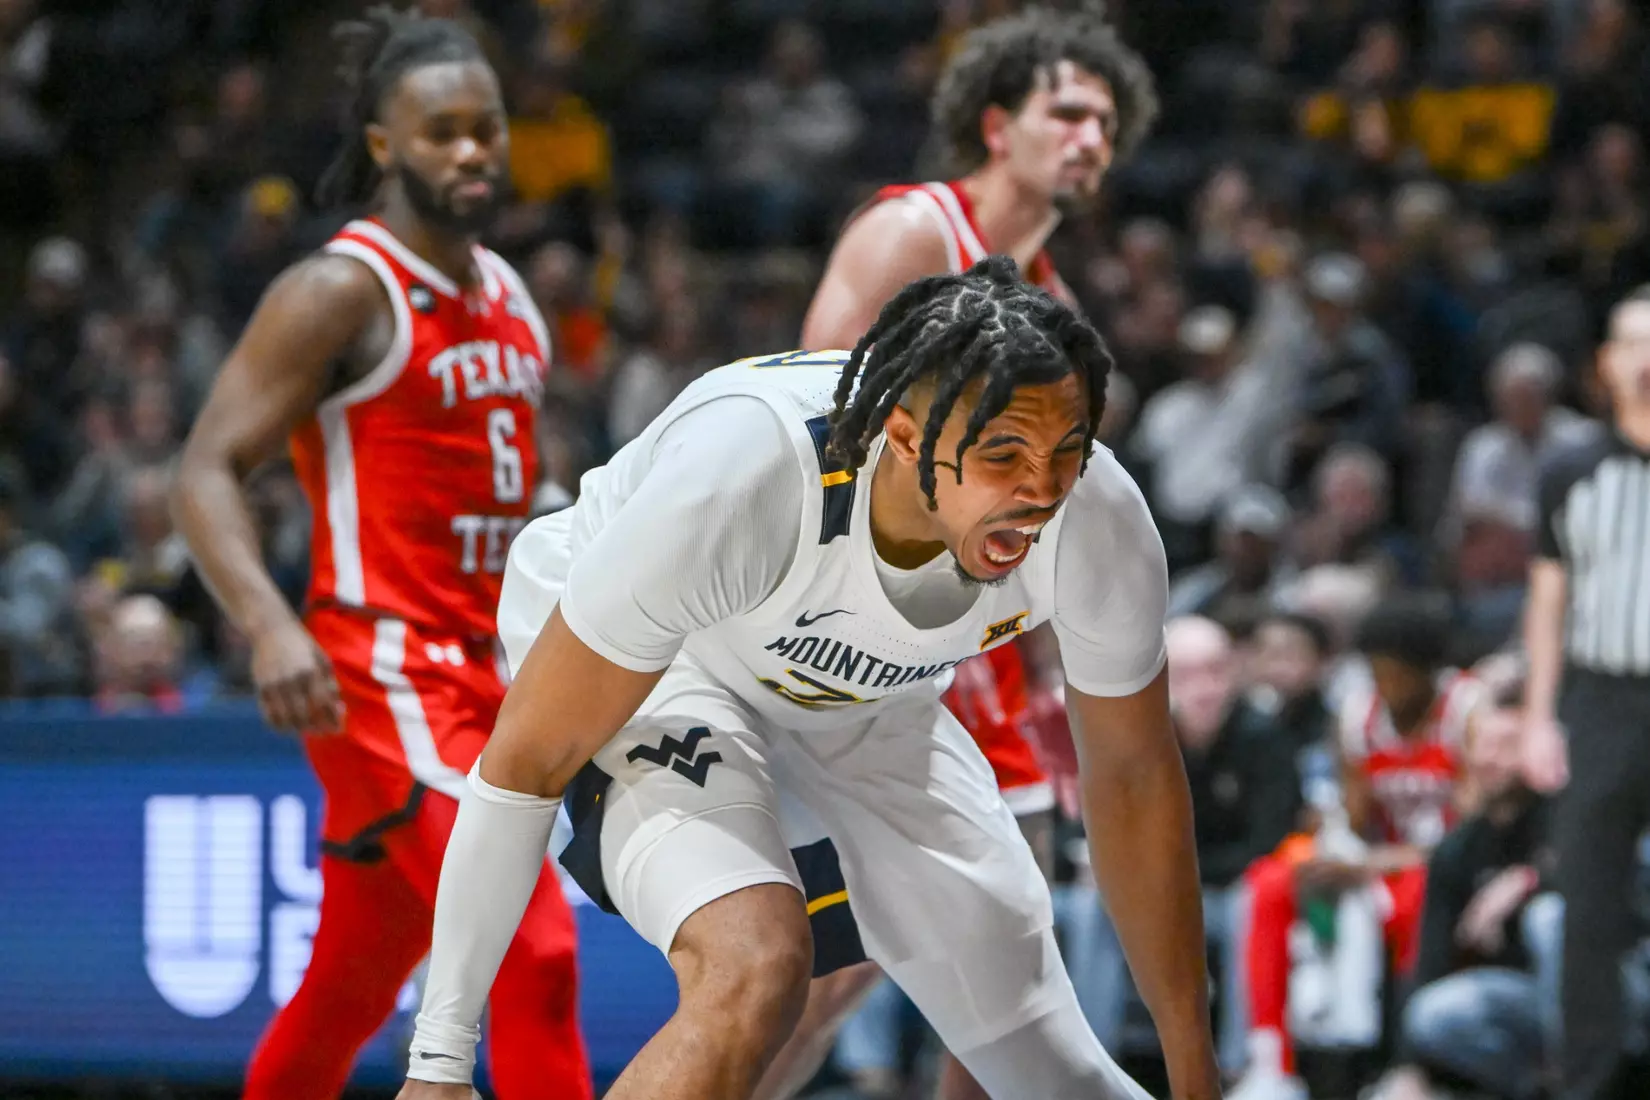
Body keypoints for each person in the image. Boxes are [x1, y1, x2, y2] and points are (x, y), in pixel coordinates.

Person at [396, 257, 1222, 1100]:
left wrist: (1197, 1071)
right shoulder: (746, 477)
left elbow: (1134, 779)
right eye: (1004, 452)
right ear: (906, 437)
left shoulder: (1097, 522)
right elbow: (523, 762)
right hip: (673, 664)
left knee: (1045, 1057)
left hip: (861, 694)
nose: (1041, 489)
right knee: (756, 962)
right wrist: (440, 1061)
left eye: (1068, 449)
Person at [170, 9, 587, 1099]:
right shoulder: (340, 289)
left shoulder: (511, 295)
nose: (470, 151)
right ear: (382, 145)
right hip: (382, 670)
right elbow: (205, 467)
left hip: (487, 673)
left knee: (351, 984)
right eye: (440, 131)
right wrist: (268, 623)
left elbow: (511, 488)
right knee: (529, 952)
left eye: (485, 128)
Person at [784, 12, 1158, 1093]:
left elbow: (1050, 512)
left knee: (1009, 947)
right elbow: (813, 420)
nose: (1092, 136)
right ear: (999, 124)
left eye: (1107, 121)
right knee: (831, 969)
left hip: (985, 640)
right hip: (878, 620)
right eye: (1069, 113)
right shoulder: (912, 233)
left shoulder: (1055, 301)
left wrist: (1049, 670)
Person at [1231, 598, 1486, 1100]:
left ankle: (1408, 1067)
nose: (1386, 688)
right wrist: (1327, 842)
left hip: (1446, 870)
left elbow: (1471, 836)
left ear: (1428, 672)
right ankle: (1271, 1066)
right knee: (1269, 882)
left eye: (1398, 676)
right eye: (1376, 674)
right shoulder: (1359, 714)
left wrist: (1371, 863)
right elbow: (1354, 818)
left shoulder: (1466, 710)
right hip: (1379, 864)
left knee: (1421, 894)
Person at [1525, 284, 1650, 1100]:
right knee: (1590, 910)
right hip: (1602, 700)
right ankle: (1590, 1084)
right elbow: (1546, 601)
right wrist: (1538, 717)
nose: (1647, 360)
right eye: (1633, 343)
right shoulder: (1571, 469)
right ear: (1605, 363)